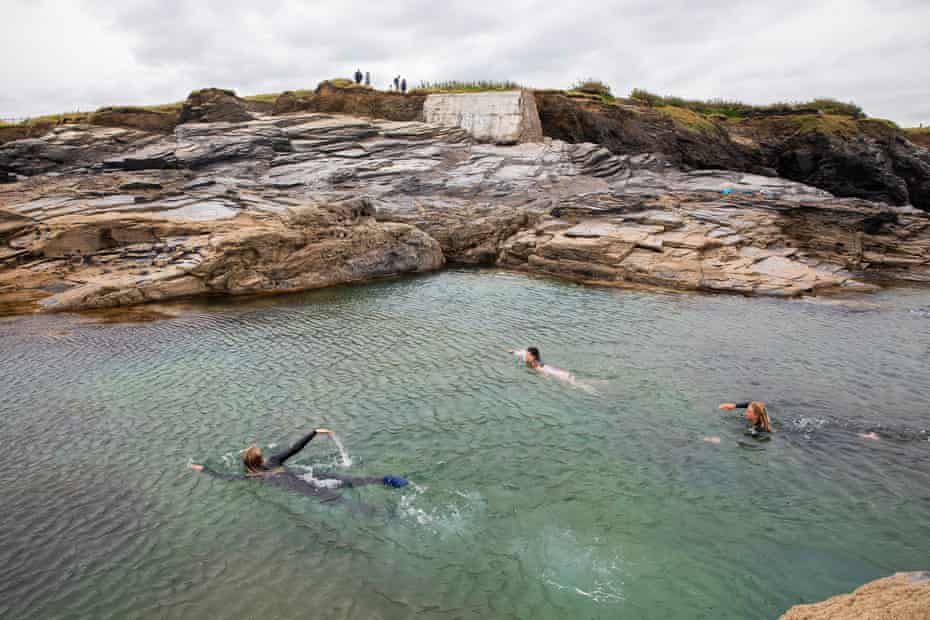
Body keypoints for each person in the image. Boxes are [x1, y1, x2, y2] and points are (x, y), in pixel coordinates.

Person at [189, 428, 409, 501]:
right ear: (262, 459)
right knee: (350, 481)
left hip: (305, 488)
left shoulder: (253, 477)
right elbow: (295, 448)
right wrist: (314, 432)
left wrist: (203, 469)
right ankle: (387, 480)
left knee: (340, 501)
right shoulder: (275, 461)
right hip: (311, 476)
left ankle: (382, 516)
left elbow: (224, 477)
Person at [506, 347, 576, 383]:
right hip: (544, 368)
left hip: (548, 370)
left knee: (555, 373)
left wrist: (544, 377)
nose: (526, 356)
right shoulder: (526, 355)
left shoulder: (538, 364)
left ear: (533, 357)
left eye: (528, 355)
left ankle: (566, 375)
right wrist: (511, 352)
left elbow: (545, 370)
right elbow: (519, 353)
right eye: (526, 354)